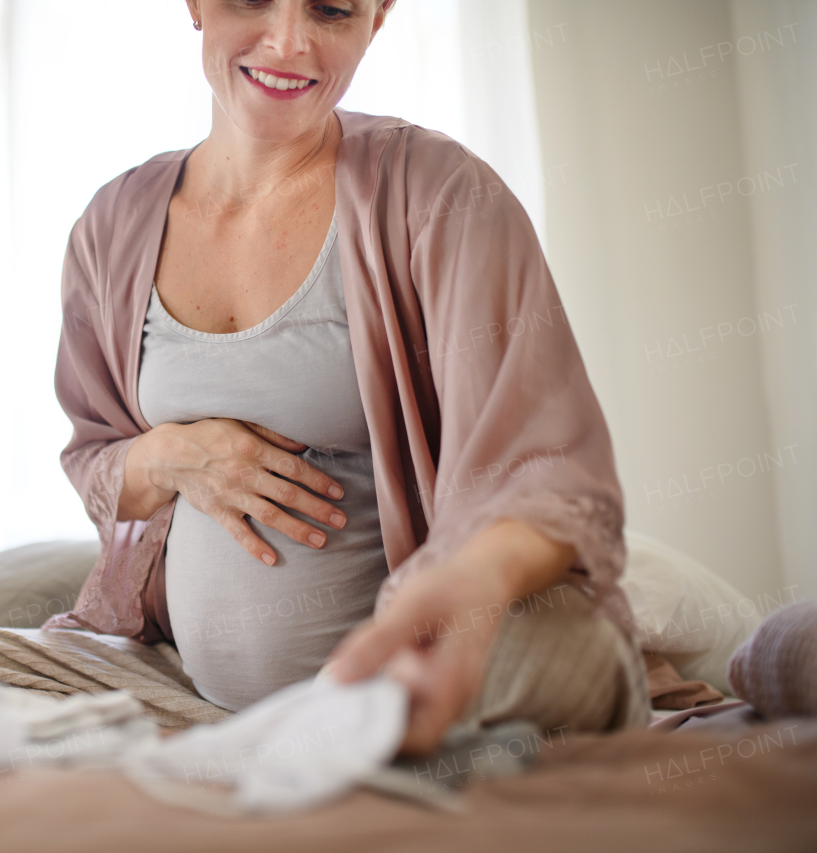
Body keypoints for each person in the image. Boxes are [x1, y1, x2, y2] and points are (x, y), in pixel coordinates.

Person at [45, 0, 649, 754]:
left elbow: (551, 477)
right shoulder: (111, 226)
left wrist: (468, 586)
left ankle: (370, 741)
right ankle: (289, 750)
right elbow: (97, 459)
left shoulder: (440, 194)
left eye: (333, 10)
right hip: (195, 695)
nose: (290, 42)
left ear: (378, 16)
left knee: (559, 661)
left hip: (434, 659)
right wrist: (174, 454)